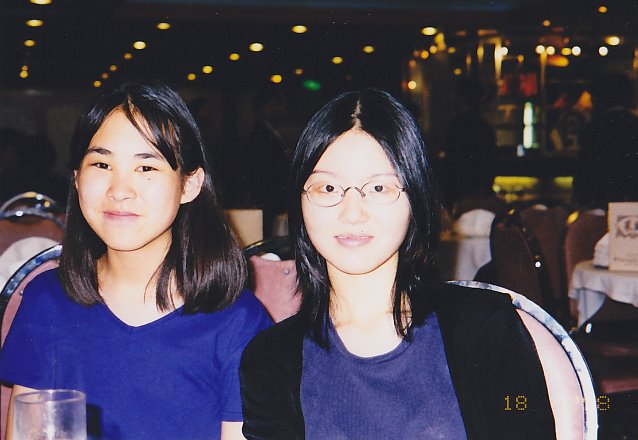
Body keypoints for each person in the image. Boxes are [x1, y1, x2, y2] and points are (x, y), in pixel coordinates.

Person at [239, 89, 582, 439]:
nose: (352, 212)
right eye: (327, 188)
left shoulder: (486, 328)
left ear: (415, 198)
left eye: (379, 189)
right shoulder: (270, 361)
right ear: (299, 203)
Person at [0, 83, 272, 439]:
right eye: (101, 164)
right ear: (77, 179)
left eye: (145, 167)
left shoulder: (238, 322)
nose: (119, 190)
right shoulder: (46, 301)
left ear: (189, 184)